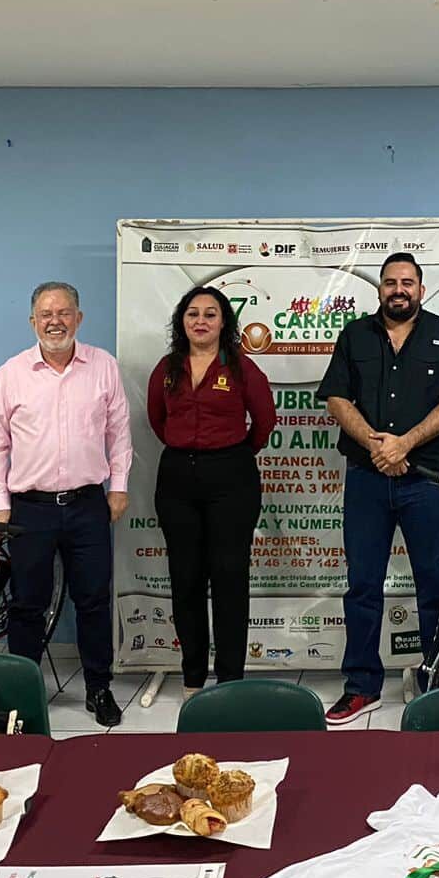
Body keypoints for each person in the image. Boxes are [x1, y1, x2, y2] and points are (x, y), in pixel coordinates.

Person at [316, 251, 439, 725]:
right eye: (390, 282)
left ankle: (436, 685)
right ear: (380, 289)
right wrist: (377, 445)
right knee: (363, 585)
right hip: (367, 479)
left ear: (421, 289)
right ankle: (362, 686)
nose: (398, 289)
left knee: (435, 587)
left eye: (407, 282)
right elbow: (336, 398)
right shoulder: (355, 336)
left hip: (426, 482)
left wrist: (404, 443)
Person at [0, 282, 132, 726]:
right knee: (27, 603)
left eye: (64, 313)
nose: (55, 321)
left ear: (78, 319)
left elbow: (118, 433)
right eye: (46, 314)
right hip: (29, 508)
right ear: (32, 321)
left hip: (88, 505)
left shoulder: (103, 366)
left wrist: (118, 486)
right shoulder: (11, 372)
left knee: (93, 600)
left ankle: (98, 688)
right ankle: (23, 693)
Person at [146, 286, 275, 698]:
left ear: (224, 322)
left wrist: (233, 453)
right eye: (192, 314)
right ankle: (193, 677)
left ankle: (231, 680)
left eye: (210, 314)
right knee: (185, 579)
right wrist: (189, 448)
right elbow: (157, 419)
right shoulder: (167, 368)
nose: (200, 321)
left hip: (231, 480)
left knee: (229, 579)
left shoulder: (240, 367)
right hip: (177, 478)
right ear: (182, 322)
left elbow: (266, 421)